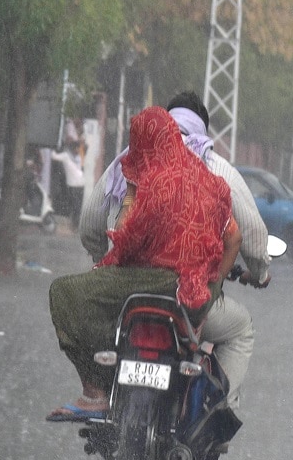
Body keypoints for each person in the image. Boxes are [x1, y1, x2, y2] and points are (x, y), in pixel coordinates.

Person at [78, 91, 270, 409]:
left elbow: (90, 224)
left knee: (96, 328)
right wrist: (254, 273)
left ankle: (99, 394)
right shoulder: (215, 170)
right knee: (241, 330)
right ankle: (221, 409)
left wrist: (106, 264)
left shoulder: (128, 163)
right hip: (185, 296)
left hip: (128, 291)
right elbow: (246, 236)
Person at [46, 106, 239, 421]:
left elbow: (125, 236)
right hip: (194, 289)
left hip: (153, 280)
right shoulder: (208, 179)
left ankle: (95, 391)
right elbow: (234, 238)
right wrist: (212, 285)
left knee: (64, 292)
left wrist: (132, 191)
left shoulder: (149, 178)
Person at [50, 140, 87, 229]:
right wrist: (53, 147)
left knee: (77, 206)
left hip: (80, 184)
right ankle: (74, 224)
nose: (77, 150)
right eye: (76, 149)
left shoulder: (79, 157)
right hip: (73, 185)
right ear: (73, 149)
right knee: (75, 205)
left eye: (78, 149)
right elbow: (53, 156)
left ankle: (75, 224)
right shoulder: (66, 156)